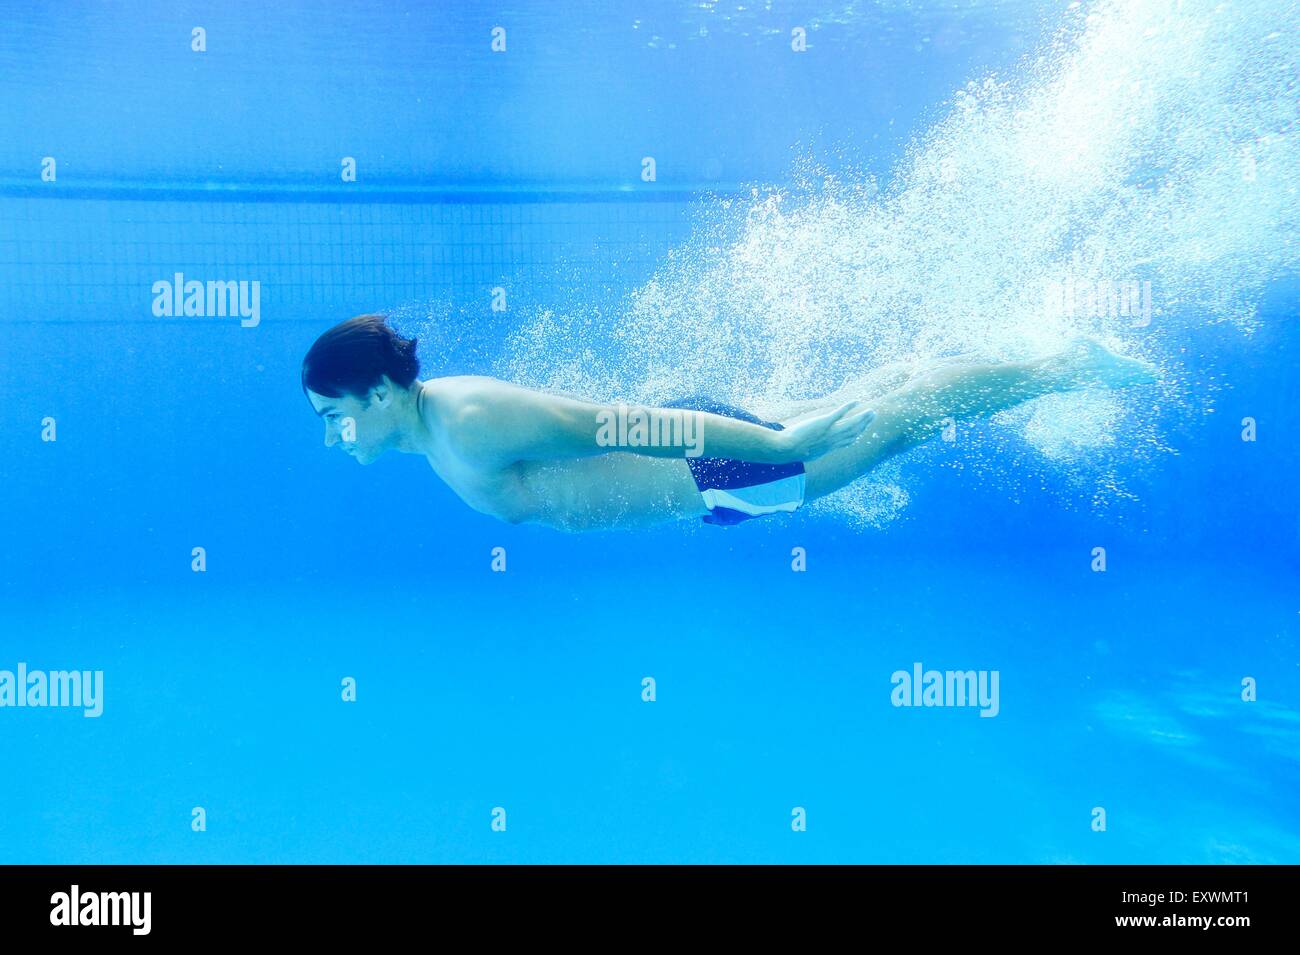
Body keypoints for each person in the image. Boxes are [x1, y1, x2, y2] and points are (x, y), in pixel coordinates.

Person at [301, 314, 1156, 531]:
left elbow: (618, 423)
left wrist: (776, 448)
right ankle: (1021, 359)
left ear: (377, 392)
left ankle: (1062, 368)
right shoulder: (436, 430)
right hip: (710, 491)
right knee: (880, 398)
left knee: (897, 426)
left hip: (716, 473)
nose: (333, 436)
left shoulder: (468, 420)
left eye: (333, 416)